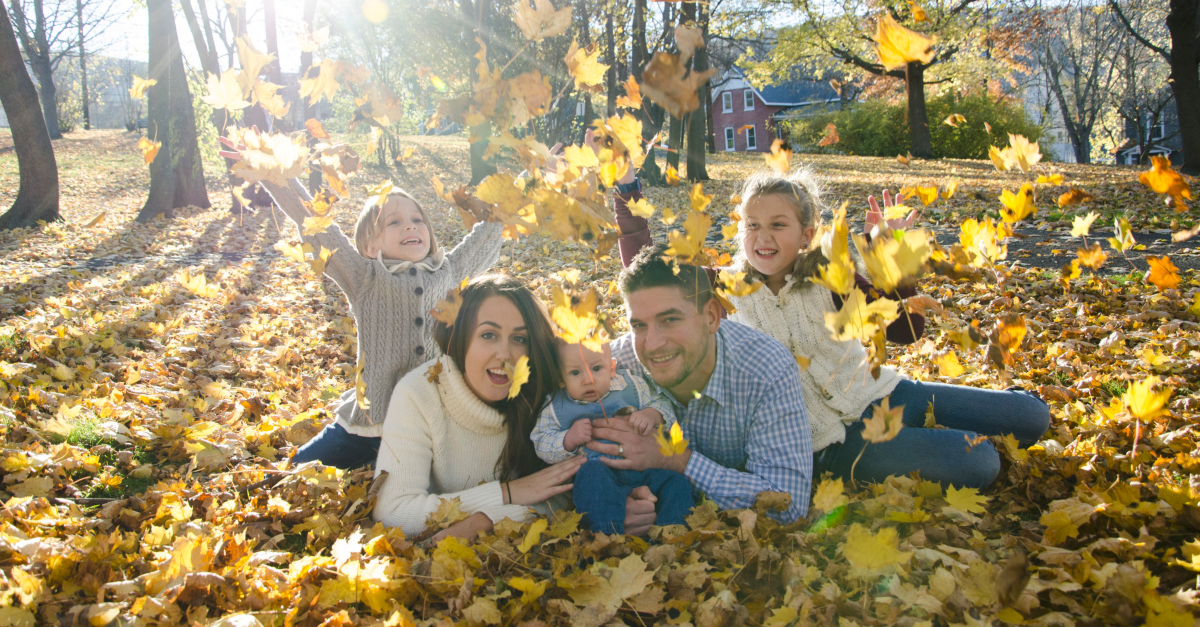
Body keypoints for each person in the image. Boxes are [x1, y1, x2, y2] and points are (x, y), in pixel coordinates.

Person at [613, 166, 1050, 488]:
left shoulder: (831, 278)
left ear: (806, 234)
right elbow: (650, 270)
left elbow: (905, 331)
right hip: (831, 445)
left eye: (777, 225)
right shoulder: (724, 289)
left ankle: (974, 423)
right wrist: (628, 192)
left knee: (1033, 414)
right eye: (752, 226)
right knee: (979, 462)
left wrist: (889, 260)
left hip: (885, 395)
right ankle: (949, 444)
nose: (762, 237)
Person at [372, 275, 659, 539]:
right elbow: (394, 512)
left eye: (519, 339)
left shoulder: (550, 395)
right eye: (488, 335)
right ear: (461, 339)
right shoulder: (419, 394)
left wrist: (487, 521)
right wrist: (505, 494)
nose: (505, 354)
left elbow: (561, 492)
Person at [251, 176, 504, 469]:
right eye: (393, 223)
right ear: (370, 246)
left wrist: (528, 183)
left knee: (477, 469)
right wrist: (271, 172)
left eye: (417, 219)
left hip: (433, 423)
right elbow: (317, 224)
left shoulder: (448, 272)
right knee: (298, 468)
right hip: (371, 423)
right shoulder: (363, 277)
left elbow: (487, 234)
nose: (410, 225)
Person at [584, 246, 815, 523]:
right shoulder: (611, 369)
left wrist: (674, 459)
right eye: (639, 326)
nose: (652, 344)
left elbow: (788, 506)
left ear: (711, 317)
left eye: (670, 320)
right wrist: (614, 502)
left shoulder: (766, 371)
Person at [530, 339, 693, 533]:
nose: (588, 379)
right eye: (575, 372)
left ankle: (672, 533)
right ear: (561, 379)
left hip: (644, 469)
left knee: (675, 482)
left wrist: (652, 414)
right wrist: (567, 439)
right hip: (599, 476)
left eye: (597, 368)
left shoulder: (632, 386)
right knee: (591, 476)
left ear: (612, 368)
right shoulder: (556, 407)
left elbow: (663, 403)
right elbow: (541, 442)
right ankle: (606, 534)